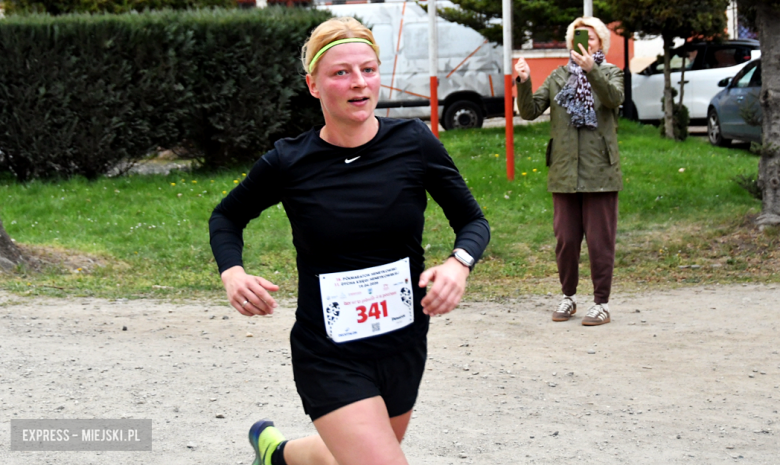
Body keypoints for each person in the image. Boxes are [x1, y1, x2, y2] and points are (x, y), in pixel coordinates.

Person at [209, 16, 490, 465]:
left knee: (345, 455)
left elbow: (474, 222)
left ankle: (278, 456)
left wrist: (459, 263)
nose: (359, 83)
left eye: (369, 69)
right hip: (328, 351)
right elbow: (226, 217)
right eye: (341, 72)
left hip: (402, 342)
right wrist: (233, 271)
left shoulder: (413, 142)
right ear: (314, 85)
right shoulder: (289, 161)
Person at [514, 16, 624, 326]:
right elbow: (530, 111)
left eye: (591, 38)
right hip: (563, 173)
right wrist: (523, 82)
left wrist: (593, 72)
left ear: (601, 43)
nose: (585, 43)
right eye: (578, 37)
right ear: (569, 42)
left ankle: (601, 302)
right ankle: (568, 297)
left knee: (601, 242)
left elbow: (614, 98)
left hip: (600, 172)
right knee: (565, 240)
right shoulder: (558, 76)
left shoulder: (612, 73)